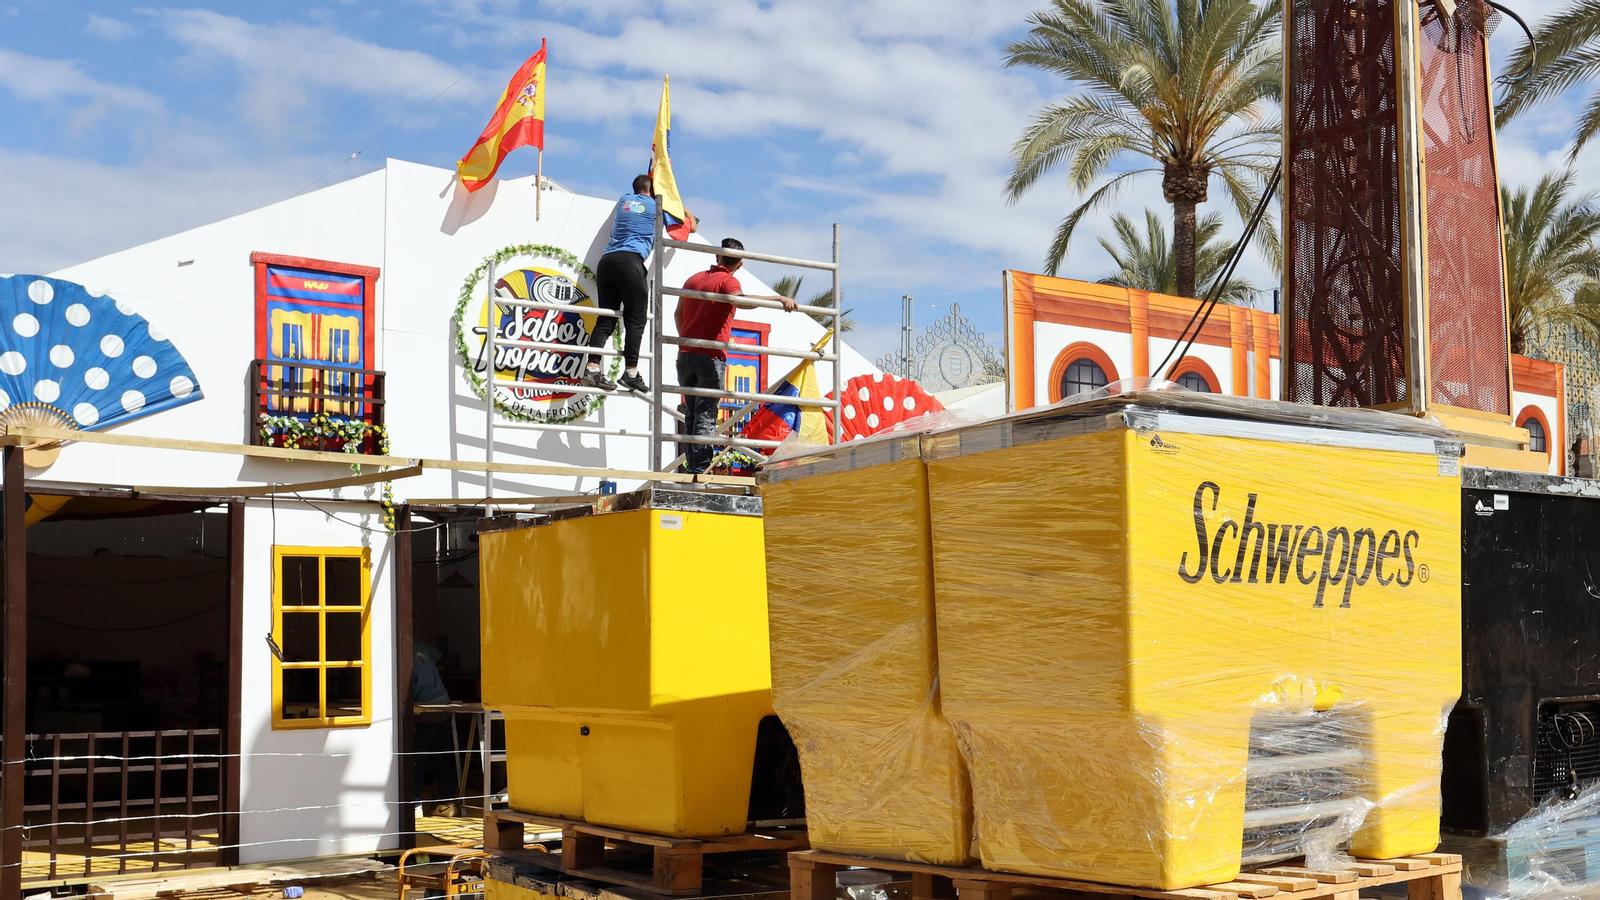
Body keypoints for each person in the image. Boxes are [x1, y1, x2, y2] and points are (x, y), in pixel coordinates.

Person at [676, 238, 800, 473]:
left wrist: (684, 342)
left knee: (691, 416)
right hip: (710, 357)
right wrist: (776, 298)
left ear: (717, 256)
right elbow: (739, 300)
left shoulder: (693, 279)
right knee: (705, 416)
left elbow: (678, 313)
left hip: (686, 354)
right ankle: (698, 472)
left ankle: (692, 469)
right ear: (740, 263)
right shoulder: (727, 280)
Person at [582, 175, 691, 393]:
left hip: (607, 261)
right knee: (636, 319)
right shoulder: (657, 206)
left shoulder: (623, 200)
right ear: (654, 190)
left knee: (606, 319)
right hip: (631, 262)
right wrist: (674, 201)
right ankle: (631, 372)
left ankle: (592, 368)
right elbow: (692, 226)